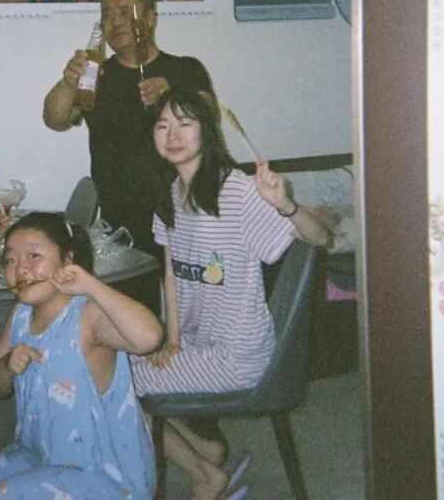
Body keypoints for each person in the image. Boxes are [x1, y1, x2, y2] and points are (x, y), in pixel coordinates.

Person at [130, 90, 329, 500]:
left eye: (185, 123)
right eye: (162, 126)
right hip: (196, 345)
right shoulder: (171, 192)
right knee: (116, 362)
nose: (173, 135)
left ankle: (204, 474)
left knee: (110, 381)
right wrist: (172, 339)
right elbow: (171, 273)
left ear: (206, 131)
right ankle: (204, 450)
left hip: (237, 357)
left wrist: (286, 205)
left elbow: (320, 237)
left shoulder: (235, 191)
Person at [0, 212, 163, 500]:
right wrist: (7, 366)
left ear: (67, 260)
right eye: (10, 260)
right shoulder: (20, 315)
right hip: (41, 454)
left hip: (102, 473)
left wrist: (91, 285)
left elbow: (150, 337)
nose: (21, 269)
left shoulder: (87, 315)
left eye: (34, 255)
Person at [42, 0, 214, 258]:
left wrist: (172, 91)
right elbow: (55, 118)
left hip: (185, 217)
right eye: (107, 15)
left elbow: (209, 113)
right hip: (120, 224)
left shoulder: (184, 68)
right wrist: (69, 81)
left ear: (151, 17)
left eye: (125, 12)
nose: (115, 22)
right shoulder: (97, 76)